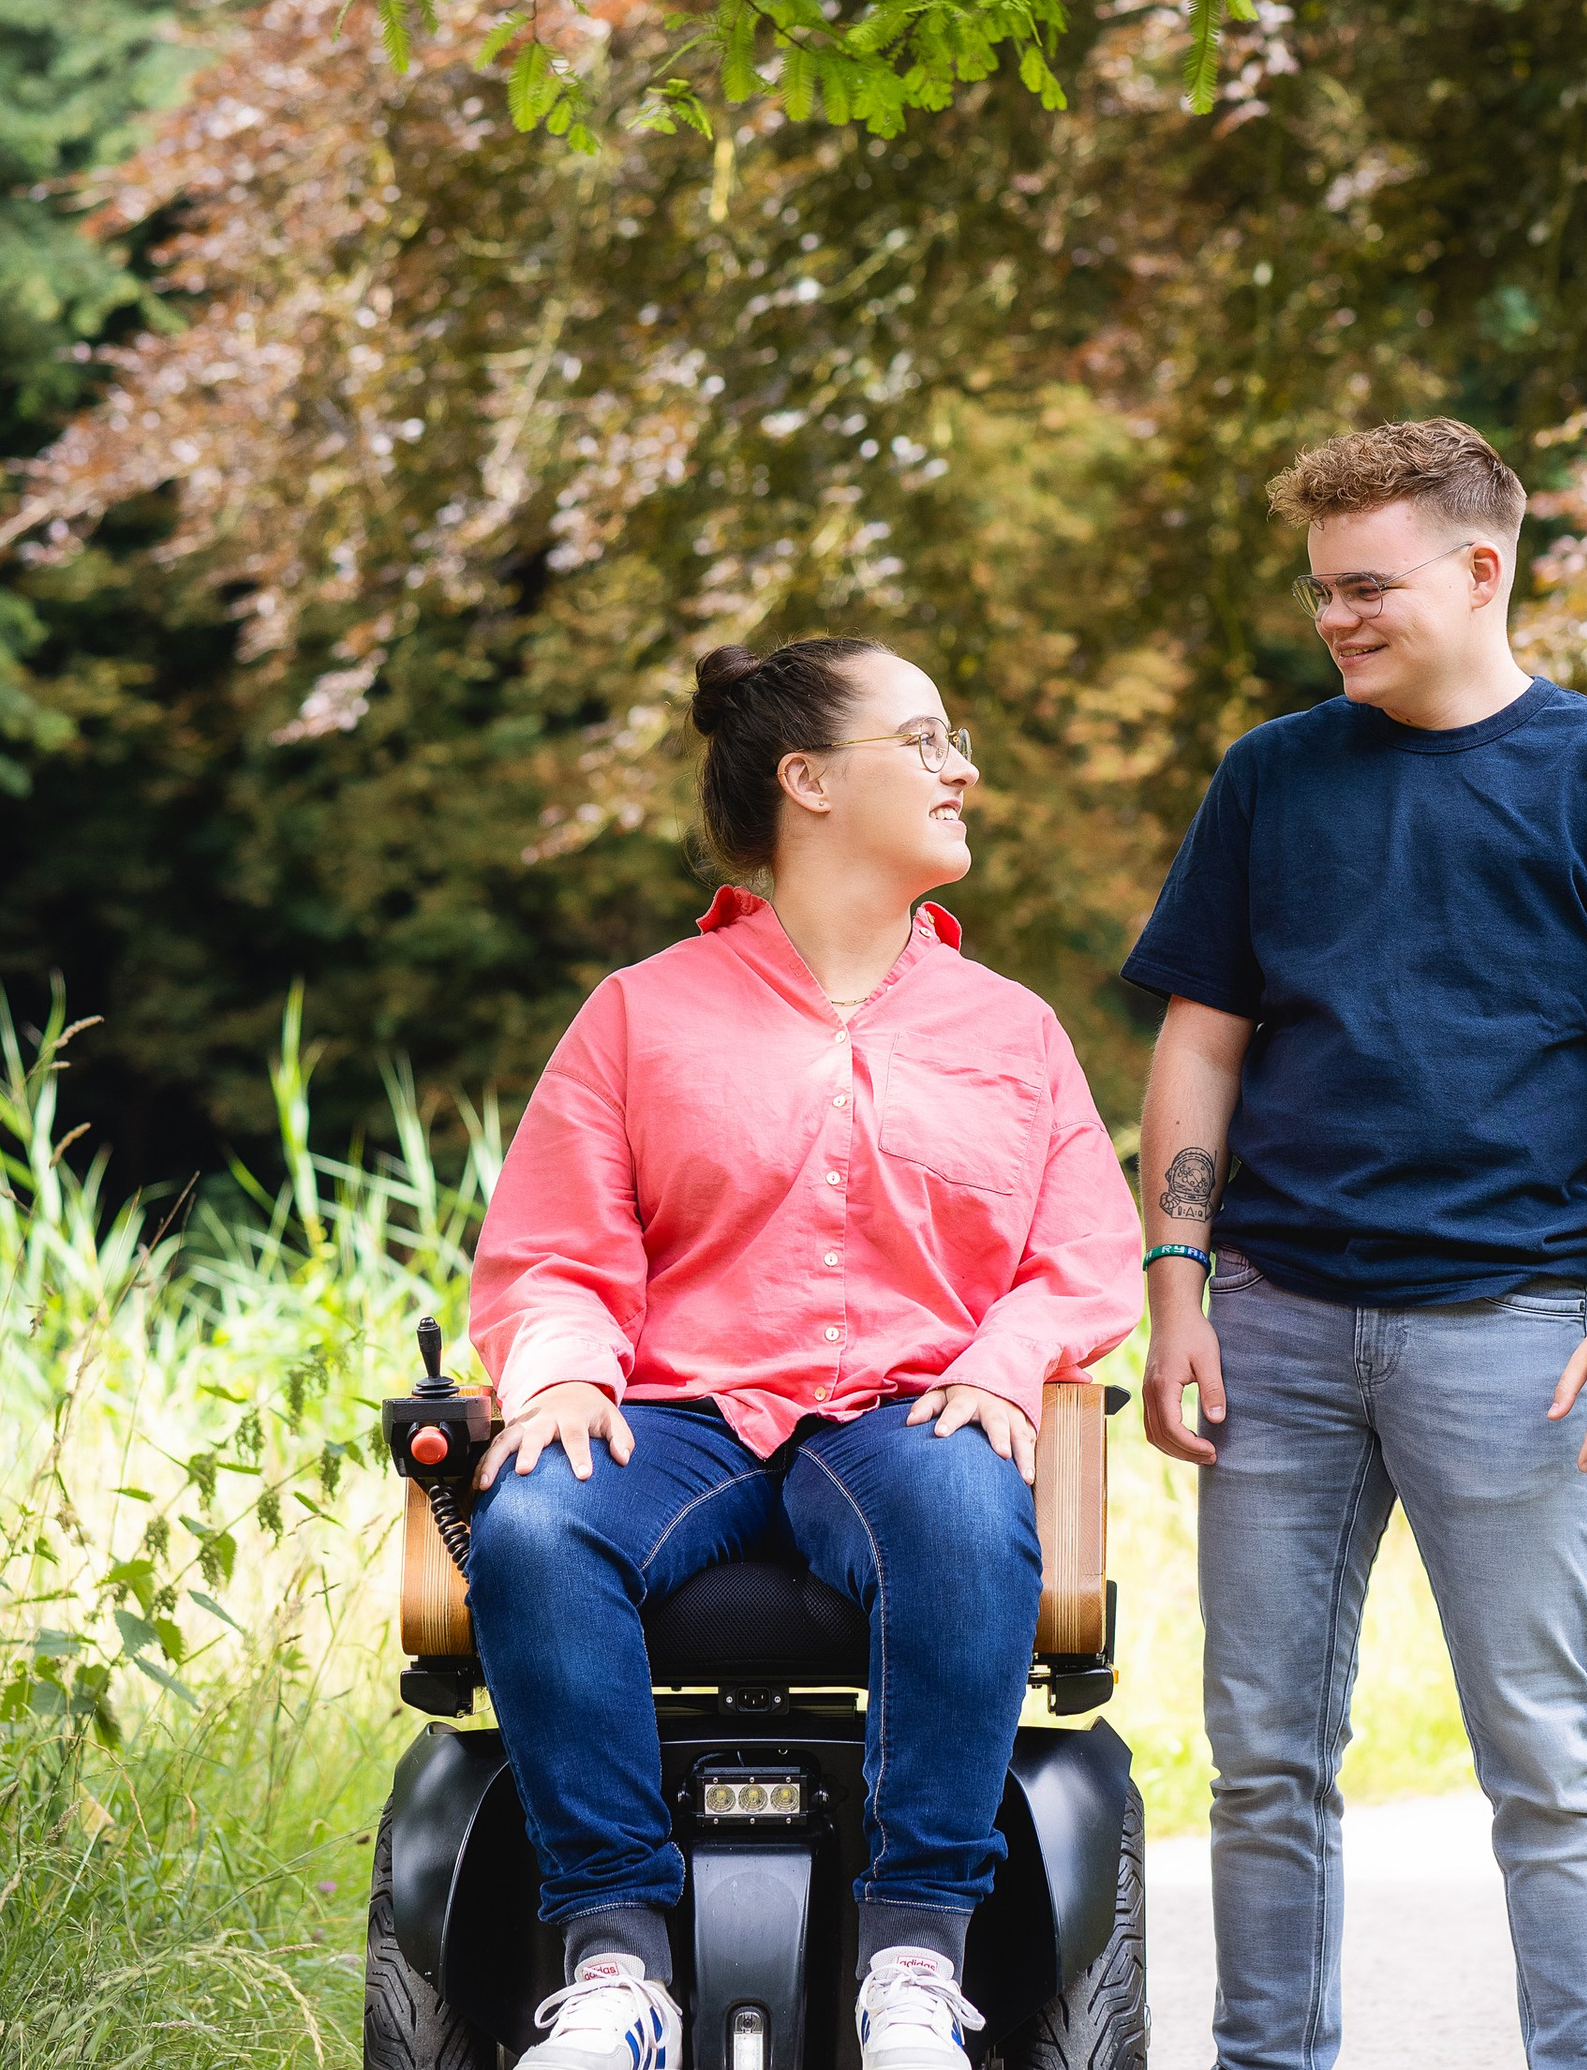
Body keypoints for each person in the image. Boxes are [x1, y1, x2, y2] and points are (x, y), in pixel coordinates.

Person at [1127, 418, 1587, 2070]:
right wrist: (1175, 1290)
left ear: (1483, 569)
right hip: (1273, 1319)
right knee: (1262, 1758)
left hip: (1512, 1336)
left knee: (1545, 1754)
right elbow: (1200, 1042)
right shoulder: (1271, 776)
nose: (1337, 619)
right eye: (1322, 591)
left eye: (1367, 588)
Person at [464, 636, 1141, 2070]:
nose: (966, 770)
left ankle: (914, 1967)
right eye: (928, 741)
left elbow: (1083, 1257)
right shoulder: (640, 1014)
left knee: (964, 1509)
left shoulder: (1010, 1030)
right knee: (530, 1524)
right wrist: (564, 1369)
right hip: (681, 1417)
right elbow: (550, 1257)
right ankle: (614, 1969)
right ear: (809, 780)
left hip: (907, 1416)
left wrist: (1008, 1360)